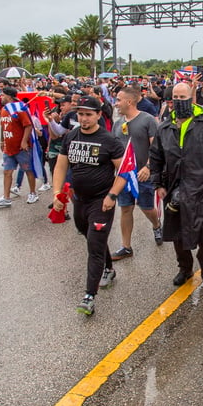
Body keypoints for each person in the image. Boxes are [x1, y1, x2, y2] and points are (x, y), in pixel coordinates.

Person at [148, 82, 203, 285]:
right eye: (175, 98)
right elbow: (156, 158)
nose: (179, 102)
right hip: (174, 190)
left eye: (182, 98)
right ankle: (184, 269)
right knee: (178, 234)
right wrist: (158, 184)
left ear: (191, 98)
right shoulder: (164, 128)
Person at [51, 96, 127, 316]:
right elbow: (60, 166)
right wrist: (57, 193)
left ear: (98, 115)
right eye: (80, 114)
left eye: (88, 114)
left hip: (101, 201)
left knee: (94, 246)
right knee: (92, 237)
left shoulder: (109, 140)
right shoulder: (71, 137)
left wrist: (112, 195)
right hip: (79, 201)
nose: (83, 119)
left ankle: (89, 297)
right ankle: (109, 269)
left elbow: (123, 172)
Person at [110, 85, 163, 261]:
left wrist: (148, 167)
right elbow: (114, 151)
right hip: (124, 176)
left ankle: (156, 225)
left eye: (119, 100)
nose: (116, 103)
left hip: (143, 175)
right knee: (125, 209)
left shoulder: (148, 120)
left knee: (147, 208)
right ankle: (126, 247)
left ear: (130, 101)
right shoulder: (118, 124)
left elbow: (155, 148)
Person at [0, 87, 39, 207]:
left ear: (9, 96)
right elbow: (3, 126)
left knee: (28, 170)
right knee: (7, 172)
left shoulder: (19, 109)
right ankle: (6, 197)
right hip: (8, 147)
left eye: (2, 95)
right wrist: (2, 141)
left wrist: (24, 142)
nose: (0, 97)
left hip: (21, 148)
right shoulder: (3, 110)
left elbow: (28, 126)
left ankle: (33, 193)